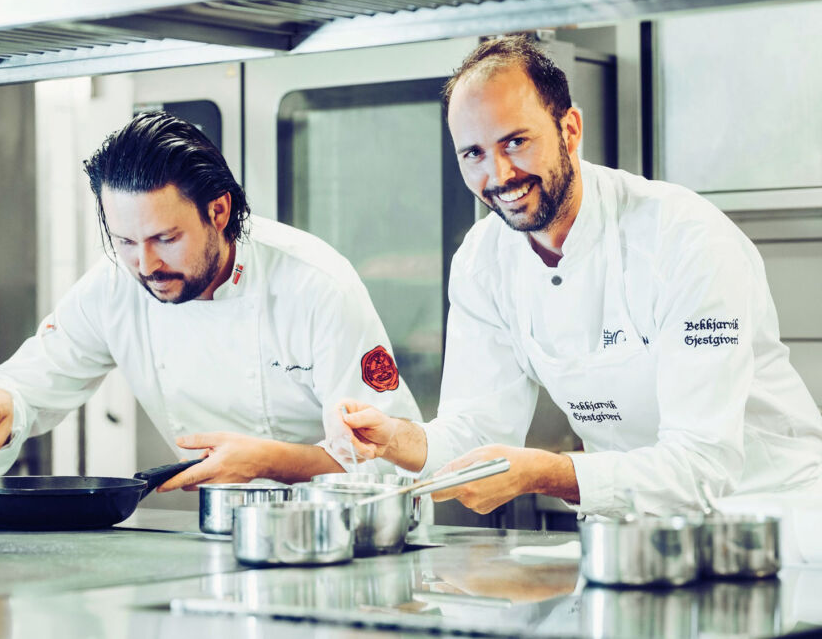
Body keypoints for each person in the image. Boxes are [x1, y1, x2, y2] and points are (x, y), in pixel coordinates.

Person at [328, 35, 822, 517]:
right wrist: (394, 438)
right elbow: (477, 430)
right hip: (637, 536)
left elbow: (703, 464)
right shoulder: (484, 260)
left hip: (771, 523)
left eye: (515, 141)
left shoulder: (686, 240)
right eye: (473, 154)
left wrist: (547, 472)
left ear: (570, 129)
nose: (499, 175)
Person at [0, 111, 421, 490]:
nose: (146, 264)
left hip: (340, 548)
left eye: (165, 238)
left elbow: (392, 462)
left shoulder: (315, 286)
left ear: (218, 211)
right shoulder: (115, 287)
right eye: (124, 241)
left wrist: (271, 462)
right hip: (218, 544)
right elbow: (26, 386)